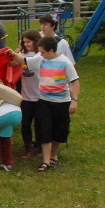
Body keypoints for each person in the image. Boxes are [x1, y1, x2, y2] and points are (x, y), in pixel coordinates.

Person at [11, 36, 81, 172]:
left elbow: (75, 82)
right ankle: (46, 161)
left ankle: (53, 156)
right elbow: (23, 60)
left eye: (43, 52)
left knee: (59, 130)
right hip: (44, 101)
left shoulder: (65, 62)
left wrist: (74, 101)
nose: (40, 54)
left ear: (51, 50)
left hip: (61, 102)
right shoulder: (40, 59)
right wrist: (11, 53)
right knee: (44, 129)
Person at [17, 30, 42, 158]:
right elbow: (13, 62)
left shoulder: (40, 54)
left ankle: (39, 146)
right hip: (26, 95)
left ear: (35, 41)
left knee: (39, 123)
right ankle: (28, 147)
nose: (26, 44)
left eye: (28, 41)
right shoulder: (21, 54)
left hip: (39, 95)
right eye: (24, 41)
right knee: (25, 123)